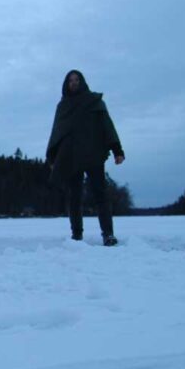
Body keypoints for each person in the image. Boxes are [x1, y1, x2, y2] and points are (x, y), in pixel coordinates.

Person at [46, 70, 124, 246]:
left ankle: (108, 234)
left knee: (100, 194)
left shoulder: (94, 101)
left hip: (93, 154)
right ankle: (77, 235)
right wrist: (52, 158)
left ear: (82, 82)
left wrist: (117, 150)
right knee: (74, 196)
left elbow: (107, 126)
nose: (74, 83)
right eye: (70, 80)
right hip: (71, 156)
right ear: (66, 84)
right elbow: (57, 133)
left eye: (77, 79)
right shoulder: (63, 106)